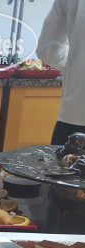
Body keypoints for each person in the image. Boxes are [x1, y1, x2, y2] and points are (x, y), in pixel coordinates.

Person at [36, 0, 85, 146]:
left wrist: (76, 65)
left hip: (76, 113)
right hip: (74, 113)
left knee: (65, 160)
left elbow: (48, 49)